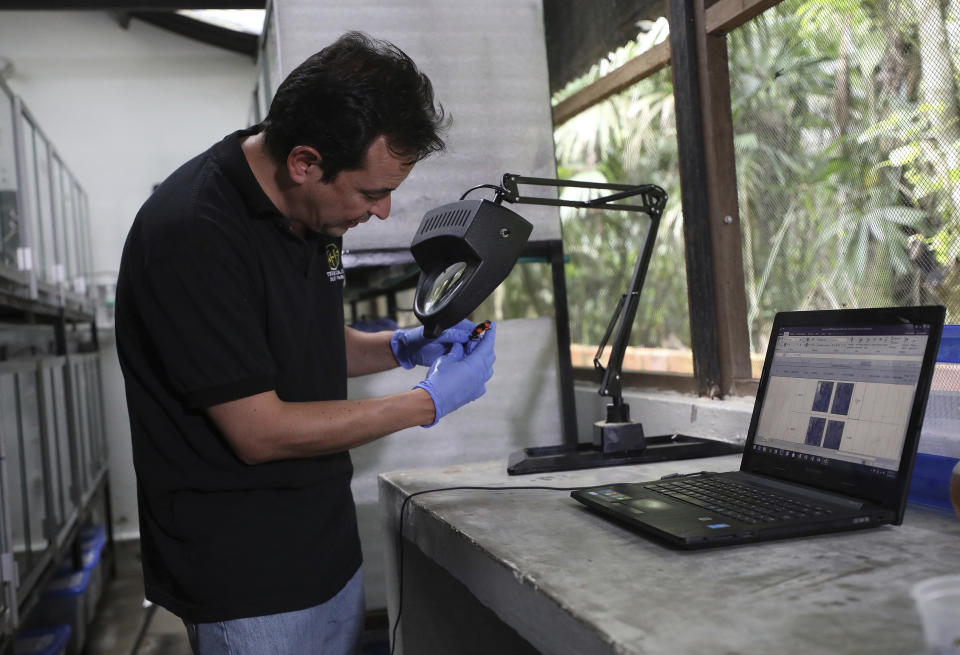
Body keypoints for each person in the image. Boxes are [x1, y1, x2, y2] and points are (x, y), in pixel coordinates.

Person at [115, 31, 496, 655]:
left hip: (325, 549)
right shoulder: (192, 234)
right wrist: (425, 404)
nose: (381, 211)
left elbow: (305, 342)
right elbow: (258, 429)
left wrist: (402, 346)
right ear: (305, 162)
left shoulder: (310, 212)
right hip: (247, 579)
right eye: (372, 192)